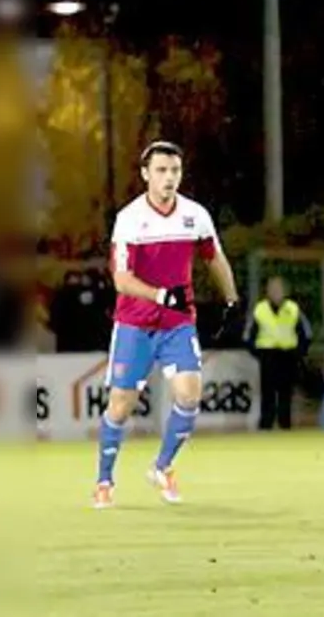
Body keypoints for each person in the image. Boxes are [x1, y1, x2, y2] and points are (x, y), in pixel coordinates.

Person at [96, 141, 242, 508]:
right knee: (120, 405)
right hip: (134, 325)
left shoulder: (195, 215)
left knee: (190, 394)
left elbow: (214, 258)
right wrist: (161, 295)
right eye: (161, 171)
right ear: (146, 174)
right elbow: (121, 279)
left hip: (178, 324)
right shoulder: (129, 219)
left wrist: (232, 299)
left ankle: (162, 467)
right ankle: (104, 480)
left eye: (175, 170)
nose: (169, 178)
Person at [244, 276, 312, 430]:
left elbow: (305, 334)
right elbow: (249, 335)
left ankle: (285, 425)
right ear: (267, 291)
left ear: (285, 291)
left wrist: (299, 352)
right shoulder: (260, 309)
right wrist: (258, 353)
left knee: (286, 393)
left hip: (288, 356)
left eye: (278, 289)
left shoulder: (293, 309)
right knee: (267, 393)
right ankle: (266, 425)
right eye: (272, 289)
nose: (275, 292)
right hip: (268, 356)